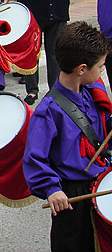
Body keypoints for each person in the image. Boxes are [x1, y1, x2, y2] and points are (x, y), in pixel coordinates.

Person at [23, 21, 112, 252]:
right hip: (71, 195)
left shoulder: (94, 94)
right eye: (100, 66)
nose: (102, 71)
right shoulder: (48, 111)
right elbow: (35, 158)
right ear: (82, 69)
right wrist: (51, 188)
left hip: (101, 184)